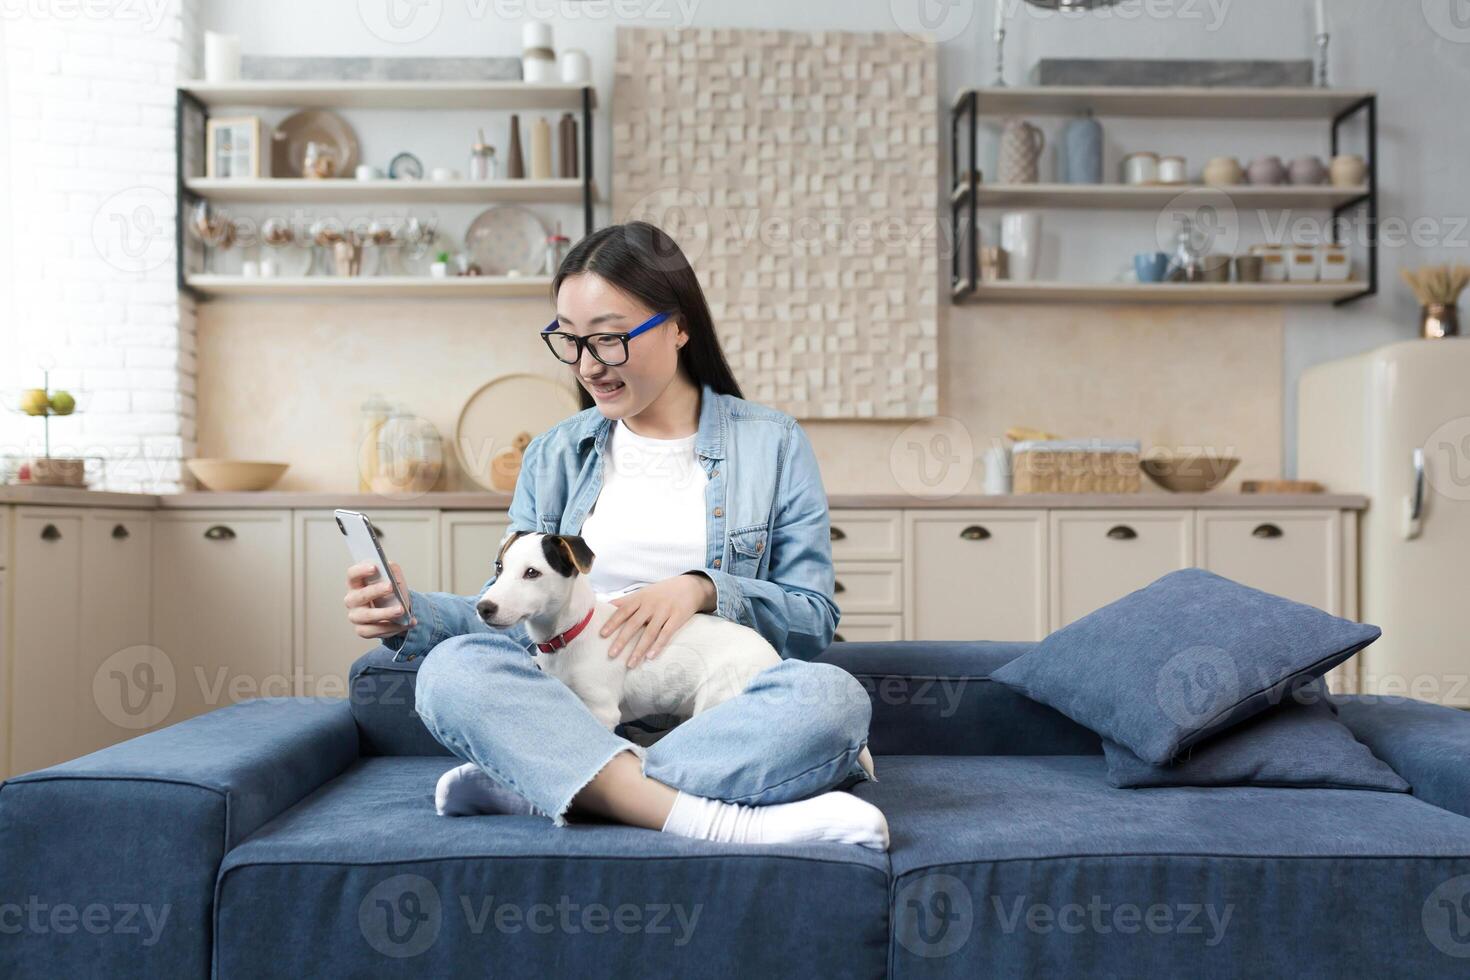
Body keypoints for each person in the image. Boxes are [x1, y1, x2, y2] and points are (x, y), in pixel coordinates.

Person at [343, 221, 887, 850]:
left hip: (721, 720)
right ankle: (716, 817)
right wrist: (409, 616)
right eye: (569, 341)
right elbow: (516, 610)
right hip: (577, 712)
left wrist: (701, 590)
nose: (587, 365)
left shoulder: (772, 445)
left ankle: (560, 780)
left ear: (679, 327)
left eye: (607, 338)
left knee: (832, 699)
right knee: (451, 670)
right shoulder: (554, 454)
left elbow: (813, 618)